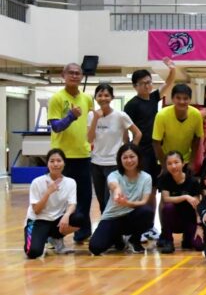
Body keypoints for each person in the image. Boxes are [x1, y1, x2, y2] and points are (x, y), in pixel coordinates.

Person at [48, 62, 95, 243]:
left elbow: (92, 123)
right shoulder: (57, 98)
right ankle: (54, 234)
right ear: (63, 75)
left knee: (85, 197)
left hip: (83, 155)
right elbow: (56, 127)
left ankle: (83, 232)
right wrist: (71, 116)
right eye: (71, 73)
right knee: (59, 198)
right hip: (62, 158)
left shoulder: (87, 99)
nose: (74, 76)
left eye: (78, 73)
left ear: (82, 76)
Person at [123, 57, 177, 202]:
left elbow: (168, 83)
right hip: (141, 150)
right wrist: (128, 149)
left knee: (154, 186)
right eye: (143, 83)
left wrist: (172, 69)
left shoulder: (153, 98)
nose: (147, 86)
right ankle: (140, 213)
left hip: (156, 148)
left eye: (149, 82)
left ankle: (150, 216)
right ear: (135, 86)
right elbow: (125, 129)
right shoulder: (131, 105)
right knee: (142, 186)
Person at [89, 144, 154, 255]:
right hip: (113, 217)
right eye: (125, 157)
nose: (129, 160)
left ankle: (134, 239)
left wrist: (127, 203)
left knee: (147, 212)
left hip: (132, 217)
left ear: (138, 157)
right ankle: (117, 238)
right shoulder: (114, 175)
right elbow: (113, 185)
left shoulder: (146, 177)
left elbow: (144, 201)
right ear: (120, 160)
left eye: (132, 157)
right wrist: (117, 190)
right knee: (95, 247)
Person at [87, 83, 142, 213]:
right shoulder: (91, 116)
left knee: (111, 200)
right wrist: (95, 119)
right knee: (101, 201)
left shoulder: (120, 115)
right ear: (95, 97)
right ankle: (105, 224)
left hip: (114, 164)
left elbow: (138, 134)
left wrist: (129, 152)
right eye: (100, 95)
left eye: (107, 95)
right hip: (96, 163)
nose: (103, 98)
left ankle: (113, 224)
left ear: (112, 97)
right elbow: (89, 139)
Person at [23, 149, 89, 258]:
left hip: (56, 220)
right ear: (47, 164)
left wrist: (66, 215)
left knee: (79, 219)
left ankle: (56, 238)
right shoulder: (37, 182)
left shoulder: (70, 182)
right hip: (38, 220)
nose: (55, 164)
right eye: (52, 161)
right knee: (33, 253)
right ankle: (42, 237)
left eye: (59, 161)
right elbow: (36, 210)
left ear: (64, 163)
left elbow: (72, 204)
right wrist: (48, 192)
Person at [157, 151, 203, 254]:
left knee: (199, 245)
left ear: (183, 163)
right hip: (174, 220)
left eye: (176, 162)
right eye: (169, 163)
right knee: (168, 207)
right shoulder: (165, 179)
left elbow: (197, 206)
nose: (173, 166)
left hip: (189, 219)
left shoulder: (193, 181)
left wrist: (199, 226)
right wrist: (185, 197)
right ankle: (168, 241)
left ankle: (187, 238)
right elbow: (166, 199)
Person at [152, 83, 204, 172]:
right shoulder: (162, 115)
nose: (182, 101)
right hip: (167, 160)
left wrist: (192, 161)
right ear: (172, 99)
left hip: (185, 160)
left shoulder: (196, 114)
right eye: (178, 98)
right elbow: (156, 142)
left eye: (185, 98)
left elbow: (197, 138)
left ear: (190, 99)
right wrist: (164, 165)